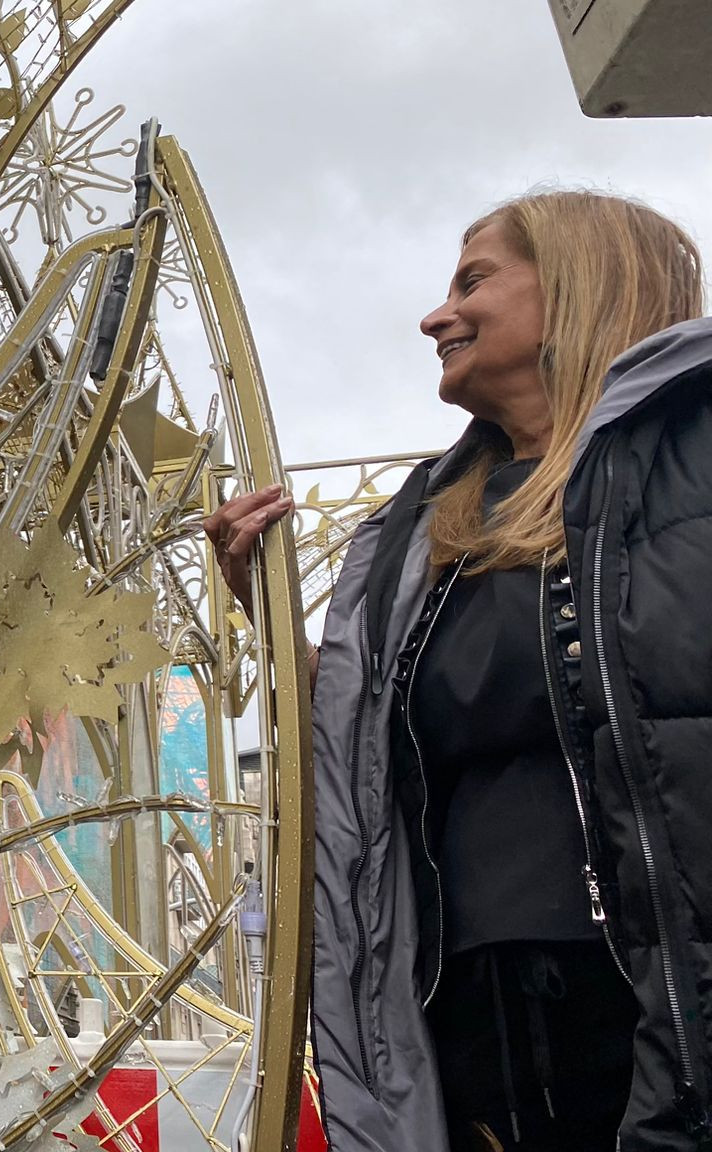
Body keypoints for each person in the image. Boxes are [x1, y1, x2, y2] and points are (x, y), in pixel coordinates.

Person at [207, 191, 710, 1151]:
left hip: (652, 987)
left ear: (578, 283)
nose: (437, 315)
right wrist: (266, 614)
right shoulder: (426, 525)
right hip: (470, 1010)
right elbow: (374, 749)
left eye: (474, 280)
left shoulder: (689, 454)